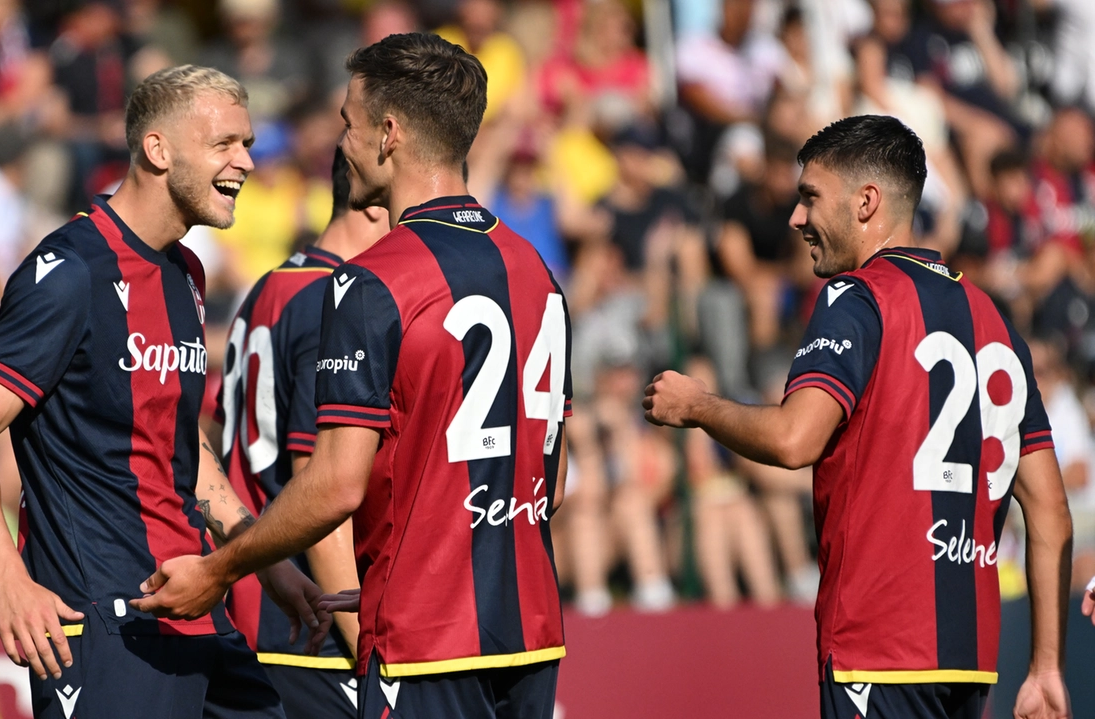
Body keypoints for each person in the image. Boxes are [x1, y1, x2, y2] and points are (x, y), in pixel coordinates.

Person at [131, 33, 572, 718]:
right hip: (533, 635)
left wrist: (219, 569)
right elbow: (552, 476)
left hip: (423, 643)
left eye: (348, 121)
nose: (341, 141)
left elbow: (336, 482)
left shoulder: (372, 282)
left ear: (388, 134)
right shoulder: (536, 270)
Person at [642, 115, 1072, 719]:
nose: (797, 218)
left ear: (866, 202)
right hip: (971, 665)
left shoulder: (858, 297)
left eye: (810, 197)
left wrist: (699, 406)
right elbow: (1051, 512)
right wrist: (1046, 666)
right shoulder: (992, 316)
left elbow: (796, 439)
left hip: (877, 651)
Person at [0, 64, 330, 719]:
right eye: (225, 144)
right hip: (104, 623)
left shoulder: (186, 272)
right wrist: (9, 581)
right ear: (157, 149)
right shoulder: (68, 272)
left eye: (249, 145)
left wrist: (266, 560)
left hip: (193, 608)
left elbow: (180, 444)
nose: (246, 162)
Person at [210, 148, 389, 719]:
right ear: (372, 205)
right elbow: (321, 485)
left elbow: (213, 426)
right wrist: (370, 650)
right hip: (310, 620)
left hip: (254, 605)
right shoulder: (332, 301)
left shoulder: (269, 286)